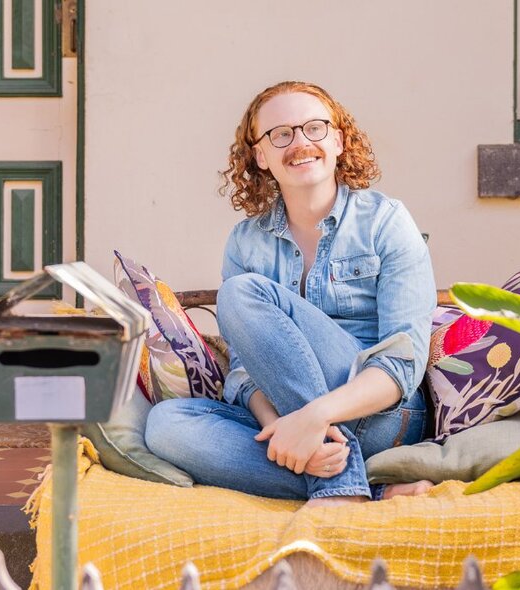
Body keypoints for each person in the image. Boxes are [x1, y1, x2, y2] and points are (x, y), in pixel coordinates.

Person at [145, 81, 436, 507]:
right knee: (165, 425)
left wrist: (315, 416)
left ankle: (336, 482)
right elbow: (245, 371)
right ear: (261, 156)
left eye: (314, 128)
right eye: (280, 134)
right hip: (291, 420)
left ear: (337, 140)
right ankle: (362, 488)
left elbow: (402, 365)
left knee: (242, 294)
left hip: (382, 417)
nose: (300, 143)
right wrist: (285, 426)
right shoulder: (246, 242)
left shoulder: (386, 222)